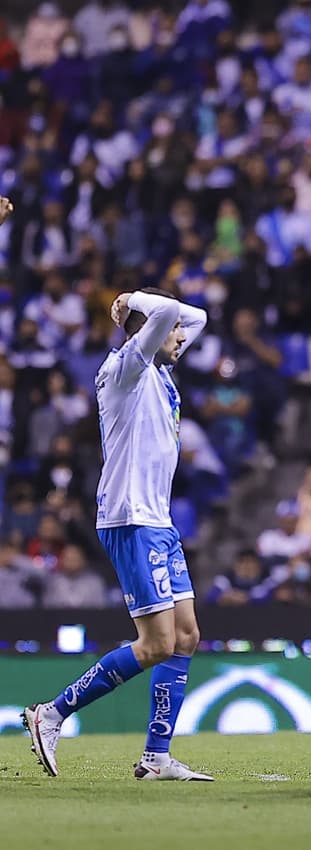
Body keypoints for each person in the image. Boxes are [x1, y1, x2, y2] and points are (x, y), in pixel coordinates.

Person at [23, 287, 211, 781]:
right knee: (156, 644)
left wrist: (144, 308)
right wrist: (131, 298)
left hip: (159, 521)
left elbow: (199, 316)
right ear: (147, 329)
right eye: (173, 331)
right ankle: (52, 713)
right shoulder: (125, 369)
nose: (182, 336)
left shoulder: (159, 369)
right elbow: (166, 311)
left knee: (186, 635)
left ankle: (156, 757)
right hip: (131, 518)